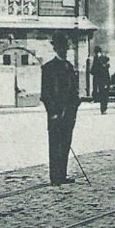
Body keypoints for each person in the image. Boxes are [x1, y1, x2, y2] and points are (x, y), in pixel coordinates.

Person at [40, 32, 80, 186]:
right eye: (61, 47)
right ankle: (55, 177)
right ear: (56, 48)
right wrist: (53, 113)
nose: (64, 50)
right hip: (55, 115)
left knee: (65, 145)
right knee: (55, 145)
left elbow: (74, 92)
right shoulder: (49, 68)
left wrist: (74, 107)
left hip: (69, 114)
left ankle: (62, 175)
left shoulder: (69, 67)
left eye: (66, 47)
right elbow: (45, 94)